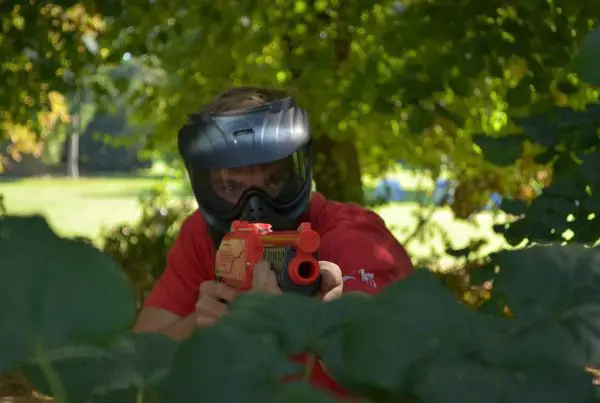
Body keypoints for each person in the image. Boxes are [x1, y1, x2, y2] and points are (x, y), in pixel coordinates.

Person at [133, 86, 414, 397]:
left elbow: (395, 373)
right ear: (207, 186)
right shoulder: (201, 234)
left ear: (299, 172)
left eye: (275, 180)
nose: (255, 205)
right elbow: (136, 362)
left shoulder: (351, 237)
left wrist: (316, 324)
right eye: (231, 186)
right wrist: (196, 329)